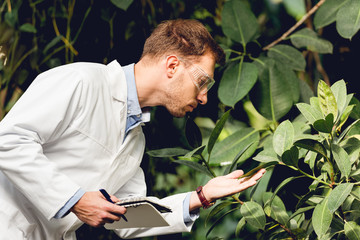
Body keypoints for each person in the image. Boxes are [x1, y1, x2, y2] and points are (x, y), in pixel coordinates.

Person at [0, 19, 265, 239]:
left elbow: (128, 216)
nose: (204, 97)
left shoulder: (136, 140)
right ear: (172, 66)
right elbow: (9, 140)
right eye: (202, 81)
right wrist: (75, 200)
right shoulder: (82, 81)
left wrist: (202, 196)